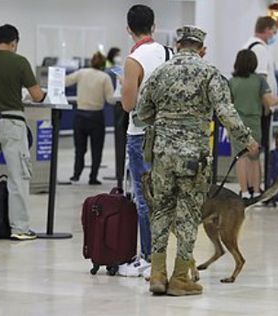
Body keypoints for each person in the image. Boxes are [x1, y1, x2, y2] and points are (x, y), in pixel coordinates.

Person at [137, 25, 258, 296]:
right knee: (189, 215)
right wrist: (247, 139)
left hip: (163, 156)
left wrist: (166, 119)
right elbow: (226, 112)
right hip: (194, 158)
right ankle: (180, 278)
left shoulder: (160, 73)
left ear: (178, 45)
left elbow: (141, 113)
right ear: (201, 49)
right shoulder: (209, 73)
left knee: (161, 212)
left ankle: (157, 274)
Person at [120, 4, 174, 277]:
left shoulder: (134, 60)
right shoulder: (170, 54)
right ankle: (163, 255)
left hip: (141, 136)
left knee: (144, 197)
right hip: (168, 135)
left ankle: (148, 258)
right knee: (165, 196)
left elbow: (128, 105)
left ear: (128, 28)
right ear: (154, 27)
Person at [0, 24, 46, 240]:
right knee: (18, 177)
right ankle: (20, 228)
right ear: (14, 42)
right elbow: (36, 95)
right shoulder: (19, 61)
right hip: (12, 123)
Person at [230, 49, 278, 200]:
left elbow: (227, 104)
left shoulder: (232, 82)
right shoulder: (259, 80)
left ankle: (244, 192)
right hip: (254, 123)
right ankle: (256, 191)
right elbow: (269, 102)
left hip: (236, 122)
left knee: (240, 158)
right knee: (254, 157)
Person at [66, 52, 115, 185]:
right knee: (97, 149)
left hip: (80, 116)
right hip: (96, 117)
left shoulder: (81, 73)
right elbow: (110, 99)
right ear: (104, 64)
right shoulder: (105, 77)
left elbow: (65, 81)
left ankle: (76, 175)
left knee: (79, 149)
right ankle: (93, 177)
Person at [243, 16, 278, 190]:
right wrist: (266, 105)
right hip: (259, 108)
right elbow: (261, 78)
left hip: (250, 107)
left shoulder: (249, 45)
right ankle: (254, 187)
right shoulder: (260, 49)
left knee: (248, 150)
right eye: (273, 30)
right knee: (255, 150)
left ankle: (250, 186)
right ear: (265, 29)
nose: (274, 34)